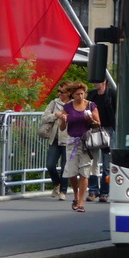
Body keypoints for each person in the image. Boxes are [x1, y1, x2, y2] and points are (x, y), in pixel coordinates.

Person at [58, 81, 101, 213]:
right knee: (71, 172)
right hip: (72, 142)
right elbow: (62, 128)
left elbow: (98, 124)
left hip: (86, 143)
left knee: (84, 173)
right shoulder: (68, 107)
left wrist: (91, 121)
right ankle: (75, 195)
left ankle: (81, 202)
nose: (80, 96)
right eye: (77, 94)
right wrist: (64, 121)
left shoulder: (90, 105)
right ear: (72, 94)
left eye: (82, 94)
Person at [86, 79, 116, 203]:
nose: (94, 83)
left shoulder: (112, 94)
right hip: (94, 131)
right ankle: (93, 191)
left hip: (108, 131)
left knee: (106, 164)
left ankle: (105, 192)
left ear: (104, 81)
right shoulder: (91, 95)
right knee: (92, 163)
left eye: (97, 81)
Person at [41, 84, 70, 201]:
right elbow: (44, 117)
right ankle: (57, 184)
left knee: (65, 167)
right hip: (55, 138)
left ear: (68, 93)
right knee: (50, 165)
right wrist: (55, 115)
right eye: (58, 91)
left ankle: (63, 191)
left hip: (68, 139)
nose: (59, 94)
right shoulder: (54, 103)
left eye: (62, 92)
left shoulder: (73, 104)